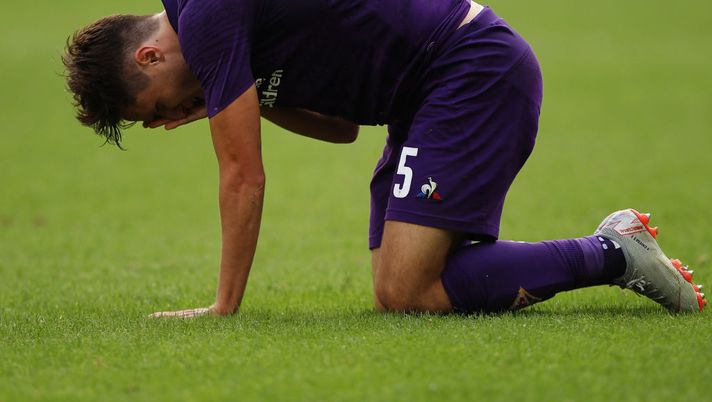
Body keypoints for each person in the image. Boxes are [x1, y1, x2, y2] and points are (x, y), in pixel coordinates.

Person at [62, 0, 705, 318]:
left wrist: (222, 307)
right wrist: (238, 95)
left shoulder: (207, 20)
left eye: (158, 108)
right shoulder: (217, 33)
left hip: (467, 68)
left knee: (410, 288)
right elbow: (342, 130)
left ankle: (615, 251)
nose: (172, 118)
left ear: (150, 57)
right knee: (404, 292)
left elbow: (243, 176)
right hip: (426, 98)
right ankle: (602, 251)